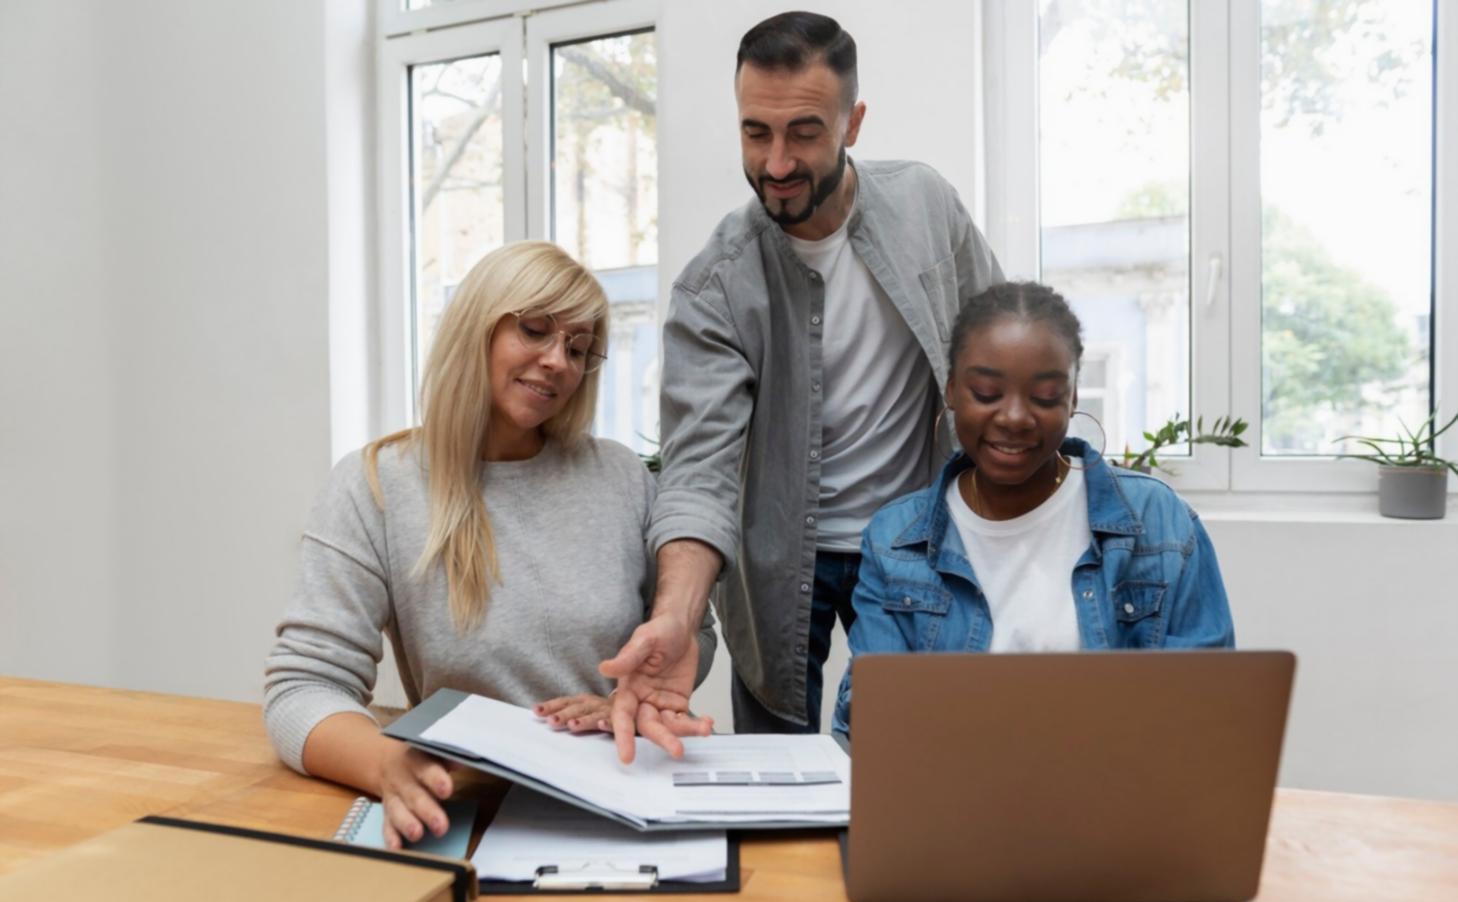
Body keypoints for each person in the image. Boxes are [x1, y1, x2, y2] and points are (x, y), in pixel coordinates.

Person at [600, 11, 1002, 756]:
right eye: (756, 132)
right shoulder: (716, 285)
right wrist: (677, 615)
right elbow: (699, 473)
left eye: (804, 133)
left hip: (914, 538)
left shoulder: (925, 205)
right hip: (779, 563)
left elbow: (999, 344)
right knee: (774, 785)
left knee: (919, 757)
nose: (776, 162)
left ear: (853, 123)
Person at [263, 241, 715, 847]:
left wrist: (627, 702)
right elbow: (303, 688)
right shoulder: (376, 484)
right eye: (535, 330)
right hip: (470, 812)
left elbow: (691, 634)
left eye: (578, 348)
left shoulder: (621, 476)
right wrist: (385, 764)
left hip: (623, 797)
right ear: (476, 326)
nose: (558, 360)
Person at [830, 281, 1236, 736]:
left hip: (1122, 797)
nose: (1015, 418)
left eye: (1044, 397)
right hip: (955, 799)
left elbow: (1205, 713)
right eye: (986, 393)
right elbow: (875, 727)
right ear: (950, 391)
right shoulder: (895, 540)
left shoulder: (1157, 522)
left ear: (1073, 398)